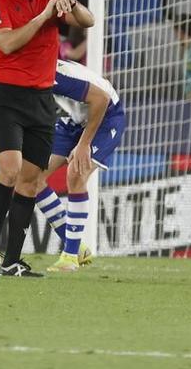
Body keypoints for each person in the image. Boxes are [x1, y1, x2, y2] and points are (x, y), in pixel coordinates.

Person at [0, 0, 95, 276]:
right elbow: (7, 43)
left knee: (31, 182)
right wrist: (45, 15)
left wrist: (69, 2)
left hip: (43, 100)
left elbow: (88, 21)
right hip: (7, 95)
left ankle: (12, 261)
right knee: (10, 168)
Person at [22, 58, 126, 272]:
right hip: (75, 120)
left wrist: (83, 144)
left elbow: (101, 98)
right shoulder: (30, 71)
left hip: (106, 116)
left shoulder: (54, 74)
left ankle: (69, 257)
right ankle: (78, 249)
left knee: (76, 174)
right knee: (31, 177)